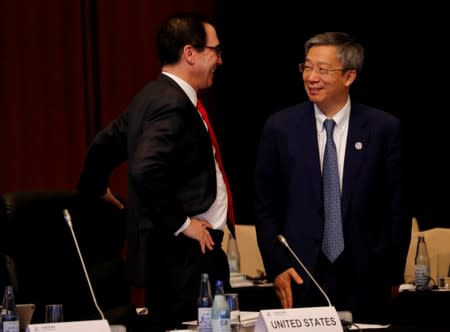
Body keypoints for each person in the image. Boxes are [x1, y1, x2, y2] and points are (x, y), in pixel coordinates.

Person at [77, 13, 234, 331]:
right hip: (187, 256)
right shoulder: (171, 102)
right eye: (215, 50)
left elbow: (102, 146)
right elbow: (146, 169)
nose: (219, 59)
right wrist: (183, 223)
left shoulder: (149, 97)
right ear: (190, 53)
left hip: (178, 256)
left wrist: (95, 187)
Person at [254, 31, 411, 324]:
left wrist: (391, 272)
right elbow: (265, 206)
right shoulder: (280, 128)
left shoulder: (383, 129)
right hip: (301, 276)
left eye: (323, 70)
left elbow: (397, 209)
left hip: (367, 277)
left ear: (349, 76)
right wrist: (277, 265)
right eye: (307, 67)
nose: (311, 77)